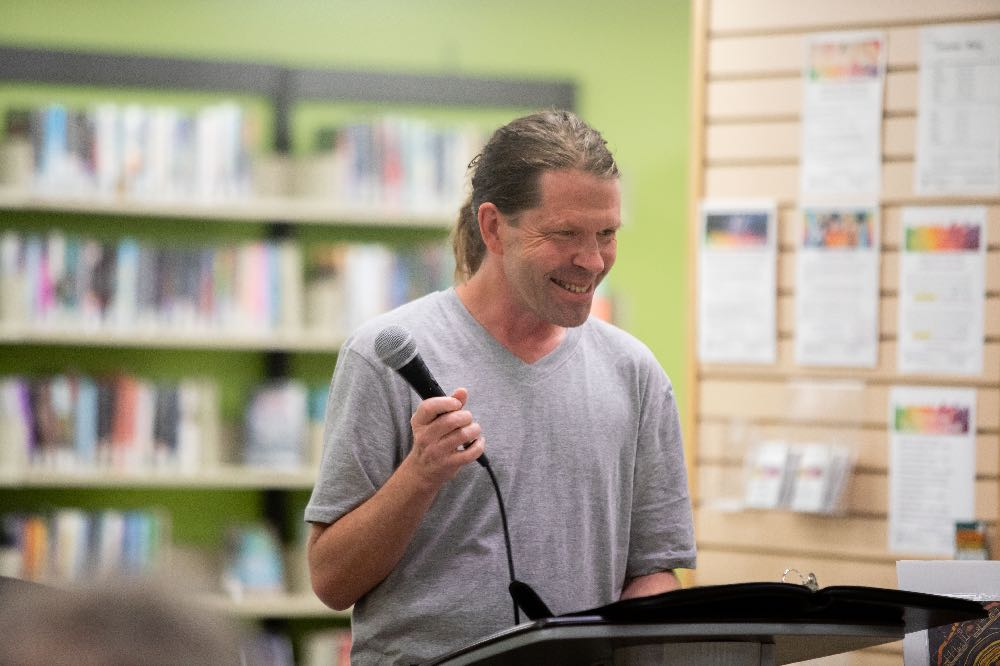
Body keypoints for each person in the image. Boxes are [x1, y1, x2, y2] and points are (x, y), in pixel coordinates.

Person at [305, 109, 696, 665]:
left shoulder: (634, 372)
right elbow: (331, 581)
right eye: (564, 235)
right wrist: (420, 475)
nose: (592, 260)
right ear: (493, 228)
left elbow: (654, 571)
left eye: (606, 234)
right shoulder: (385, 358)